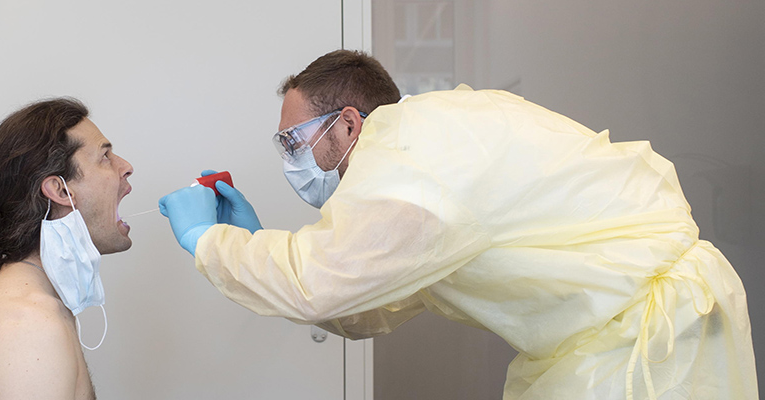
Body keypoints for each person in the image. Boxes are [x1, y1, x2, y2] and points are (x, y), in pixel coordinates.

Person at [158, 50, 757, 399]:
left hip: (647, 340)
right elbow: (370, 304)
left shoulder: (412, 153)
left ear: (348, 124)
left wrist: (209, 241)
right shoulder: (425, 162)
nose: (289, 159)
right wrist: (258, 246)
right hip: (617, 330)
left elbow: (320, 282)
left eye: (293, 141)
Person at [0, 98, 134, 400]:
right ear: (60, 190)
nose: (125, 167)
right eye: (105, 157)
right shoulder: (30, 325)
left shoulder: (17, 295)